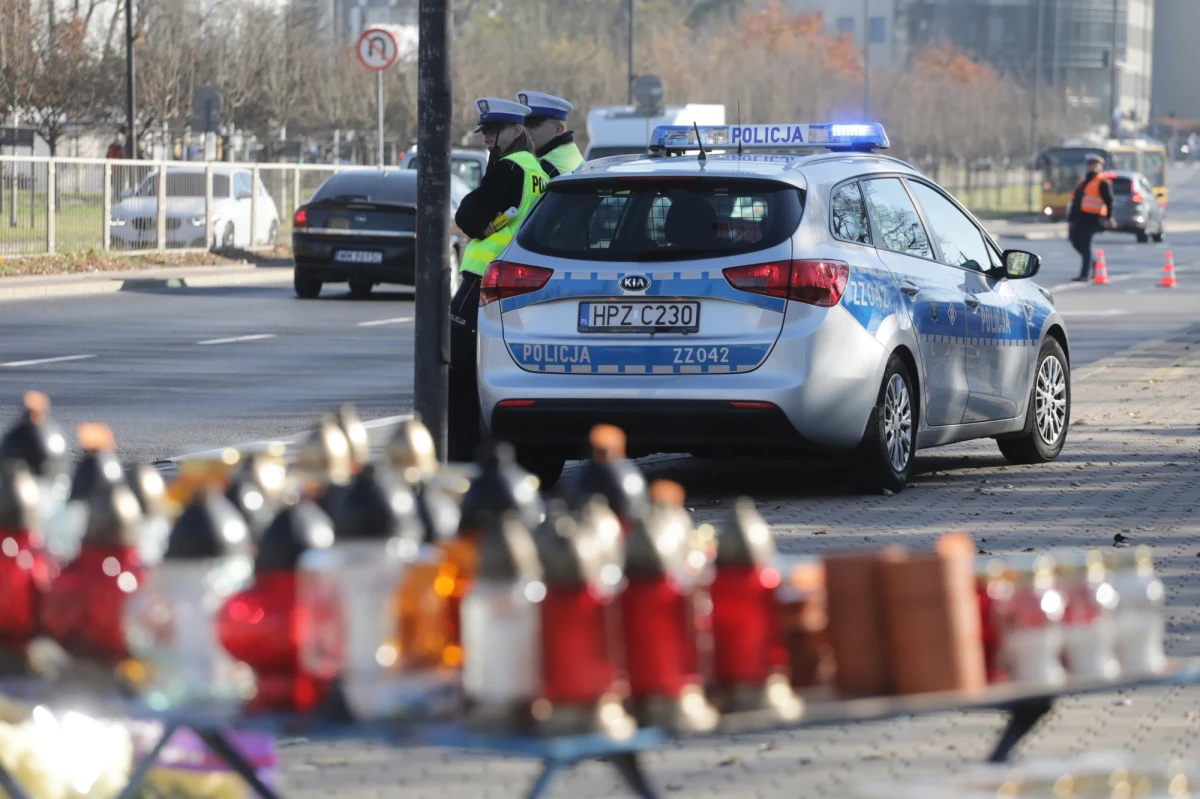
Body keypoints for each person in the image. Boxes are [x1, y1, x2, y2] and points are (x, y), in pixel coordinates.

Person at [448, 98, 550, 461]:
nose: (487, 139)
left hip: (483, 274)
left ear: (517, 131)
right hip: (515, 277)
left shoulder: (509, 168)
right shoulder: (538, 169)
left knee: (456, 366)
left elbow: (470, 215)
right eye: (485, 132)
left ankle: (460, 455)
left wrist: (475, 223)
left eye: (494, 132)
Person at [1068, 153, 1115, 282]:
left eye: (1095, 164)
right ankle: (1093, 263)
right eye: (1090, 164)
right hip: (1078, 218)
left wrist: (1110, 217)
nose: (1092, 167)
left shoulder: (1102, 182)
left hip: (1092, 218)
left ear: (1100, 166)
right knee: (1075, 241)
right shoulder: (1083, 181)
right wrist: (1071, 219)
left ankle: (1084, 274)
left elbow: (1109, 201)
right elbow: (1076, 200)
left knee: (1085, 244)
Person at [517, 91, 584, 178]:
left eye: (533, 125)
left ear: (559, 130)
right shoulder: (568, 152)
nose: (526, 131)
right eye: (523, 126)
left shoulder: (548, 167)